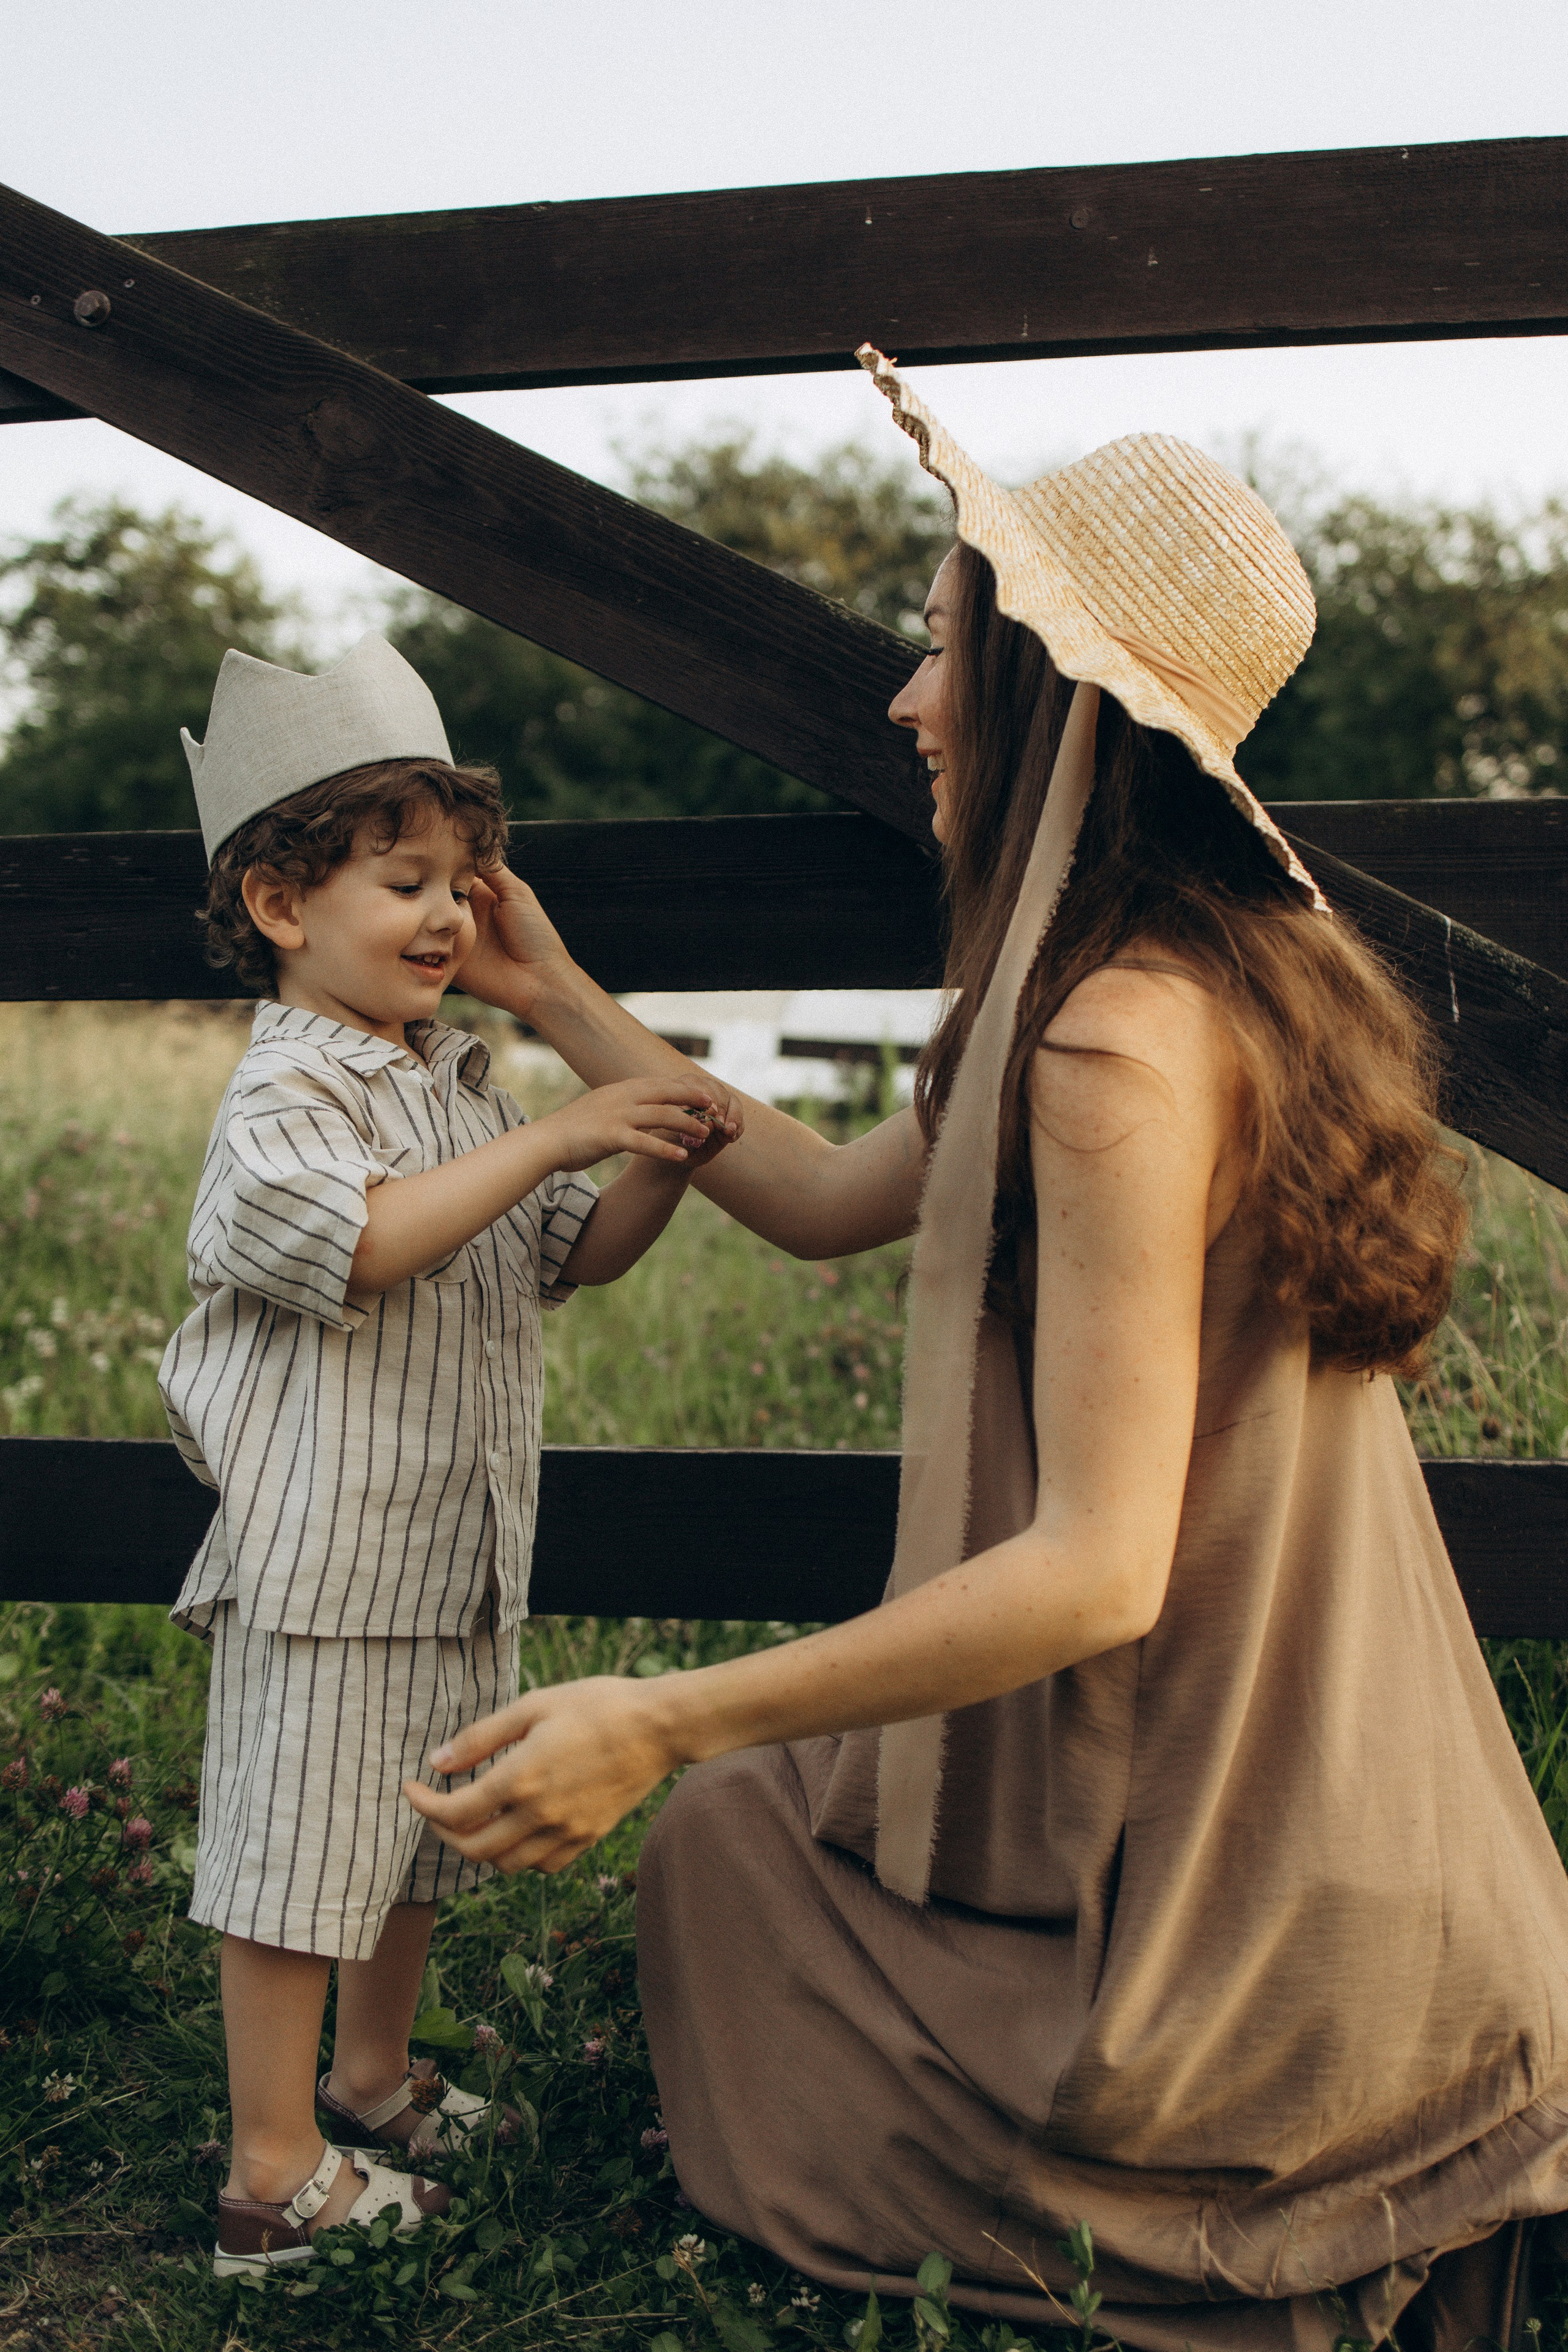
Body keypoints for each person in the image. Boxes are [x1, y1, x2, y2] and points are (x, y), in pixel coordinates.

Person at [408, 357, 1568, 2349]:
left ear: (1056, 700)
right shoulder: (1180, 980)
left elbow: (1102, 1568)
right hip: (1358, 1858)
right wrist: (560, 992)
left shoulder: (1117, 1044)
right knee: (763, 1844)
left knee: (725, 1845)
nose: (907, 699)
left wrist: (667, 1714)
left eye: (941, 650)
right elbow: (817, 1189)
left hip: (1247, 1896)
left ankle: (1259, 2217)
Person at [158, 634, 736, 2275]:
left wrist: (654, 1148)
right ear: (282, 905)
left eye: (464, 884)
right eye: (405, 881)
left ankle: (370, 2079)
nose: (445, 918)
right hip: (326, 1559)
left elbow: (569, 1247)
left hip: (452, 1547)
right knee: (294, 1862)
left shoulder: (449, 1083)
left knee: (412, 1837)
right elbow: (352, 1244)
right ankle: (269, 2178)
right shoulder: (290, 1088)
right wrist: (564, 1126)